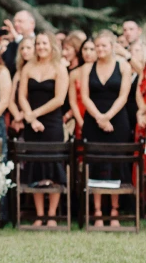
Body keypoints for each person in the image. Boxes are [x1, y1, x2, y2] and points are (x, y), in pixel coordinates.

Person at [81, 30, 133, 228]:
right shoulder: (87, 68)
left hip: (117, 120)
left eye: (104, 46)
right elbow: (85, 96)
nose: (100, 49)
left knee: (115, 163)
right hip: (93, 119)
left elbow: (123, 96)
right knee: (96, 163)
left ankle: (114, 211)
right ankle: (97, 212)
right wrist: (99, 118)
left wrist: (108, 116)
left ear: (112, 47)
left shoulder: (123, 66)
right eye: (97, 46)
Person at [18, 33, 69, 226]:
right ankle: (40, 214)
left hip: (52, 123)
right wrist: (30, 119)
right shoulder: (28, 67)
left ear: (52, 45)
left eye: (44, 43)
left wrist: (33, 115)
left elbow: (59, 99)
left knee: (53, 166)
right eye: (38, 43)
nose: (41, 47)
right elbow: (22, 96)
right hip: (32, 124)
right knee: (36, 166)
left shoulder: (60, 68)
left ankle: (52, 214)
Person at [65, 35, 94, 141]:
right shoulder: (74, 73)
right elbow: (72, 101)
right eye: (85, 49)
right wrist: (80, 121)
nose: (88, 52)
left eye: (92, 49)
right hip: (79, 112)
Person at [7, 35, 36, 135]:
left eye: (28, 48)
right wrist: (17, 117)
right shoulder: (18, 72)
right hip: (18, 120)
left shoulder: (40, 71)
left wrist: (25, 114)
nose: (25, 51)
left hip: (35, 116)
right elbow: (10, 100)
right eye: (22, 48)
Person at [2, 10, 36, 74]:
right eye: (15, 21)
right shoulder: (11, 44)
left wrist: (16, 37)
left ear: (32, 23)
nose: (16, 24)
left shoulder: (39, 43)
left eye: (20, 21)